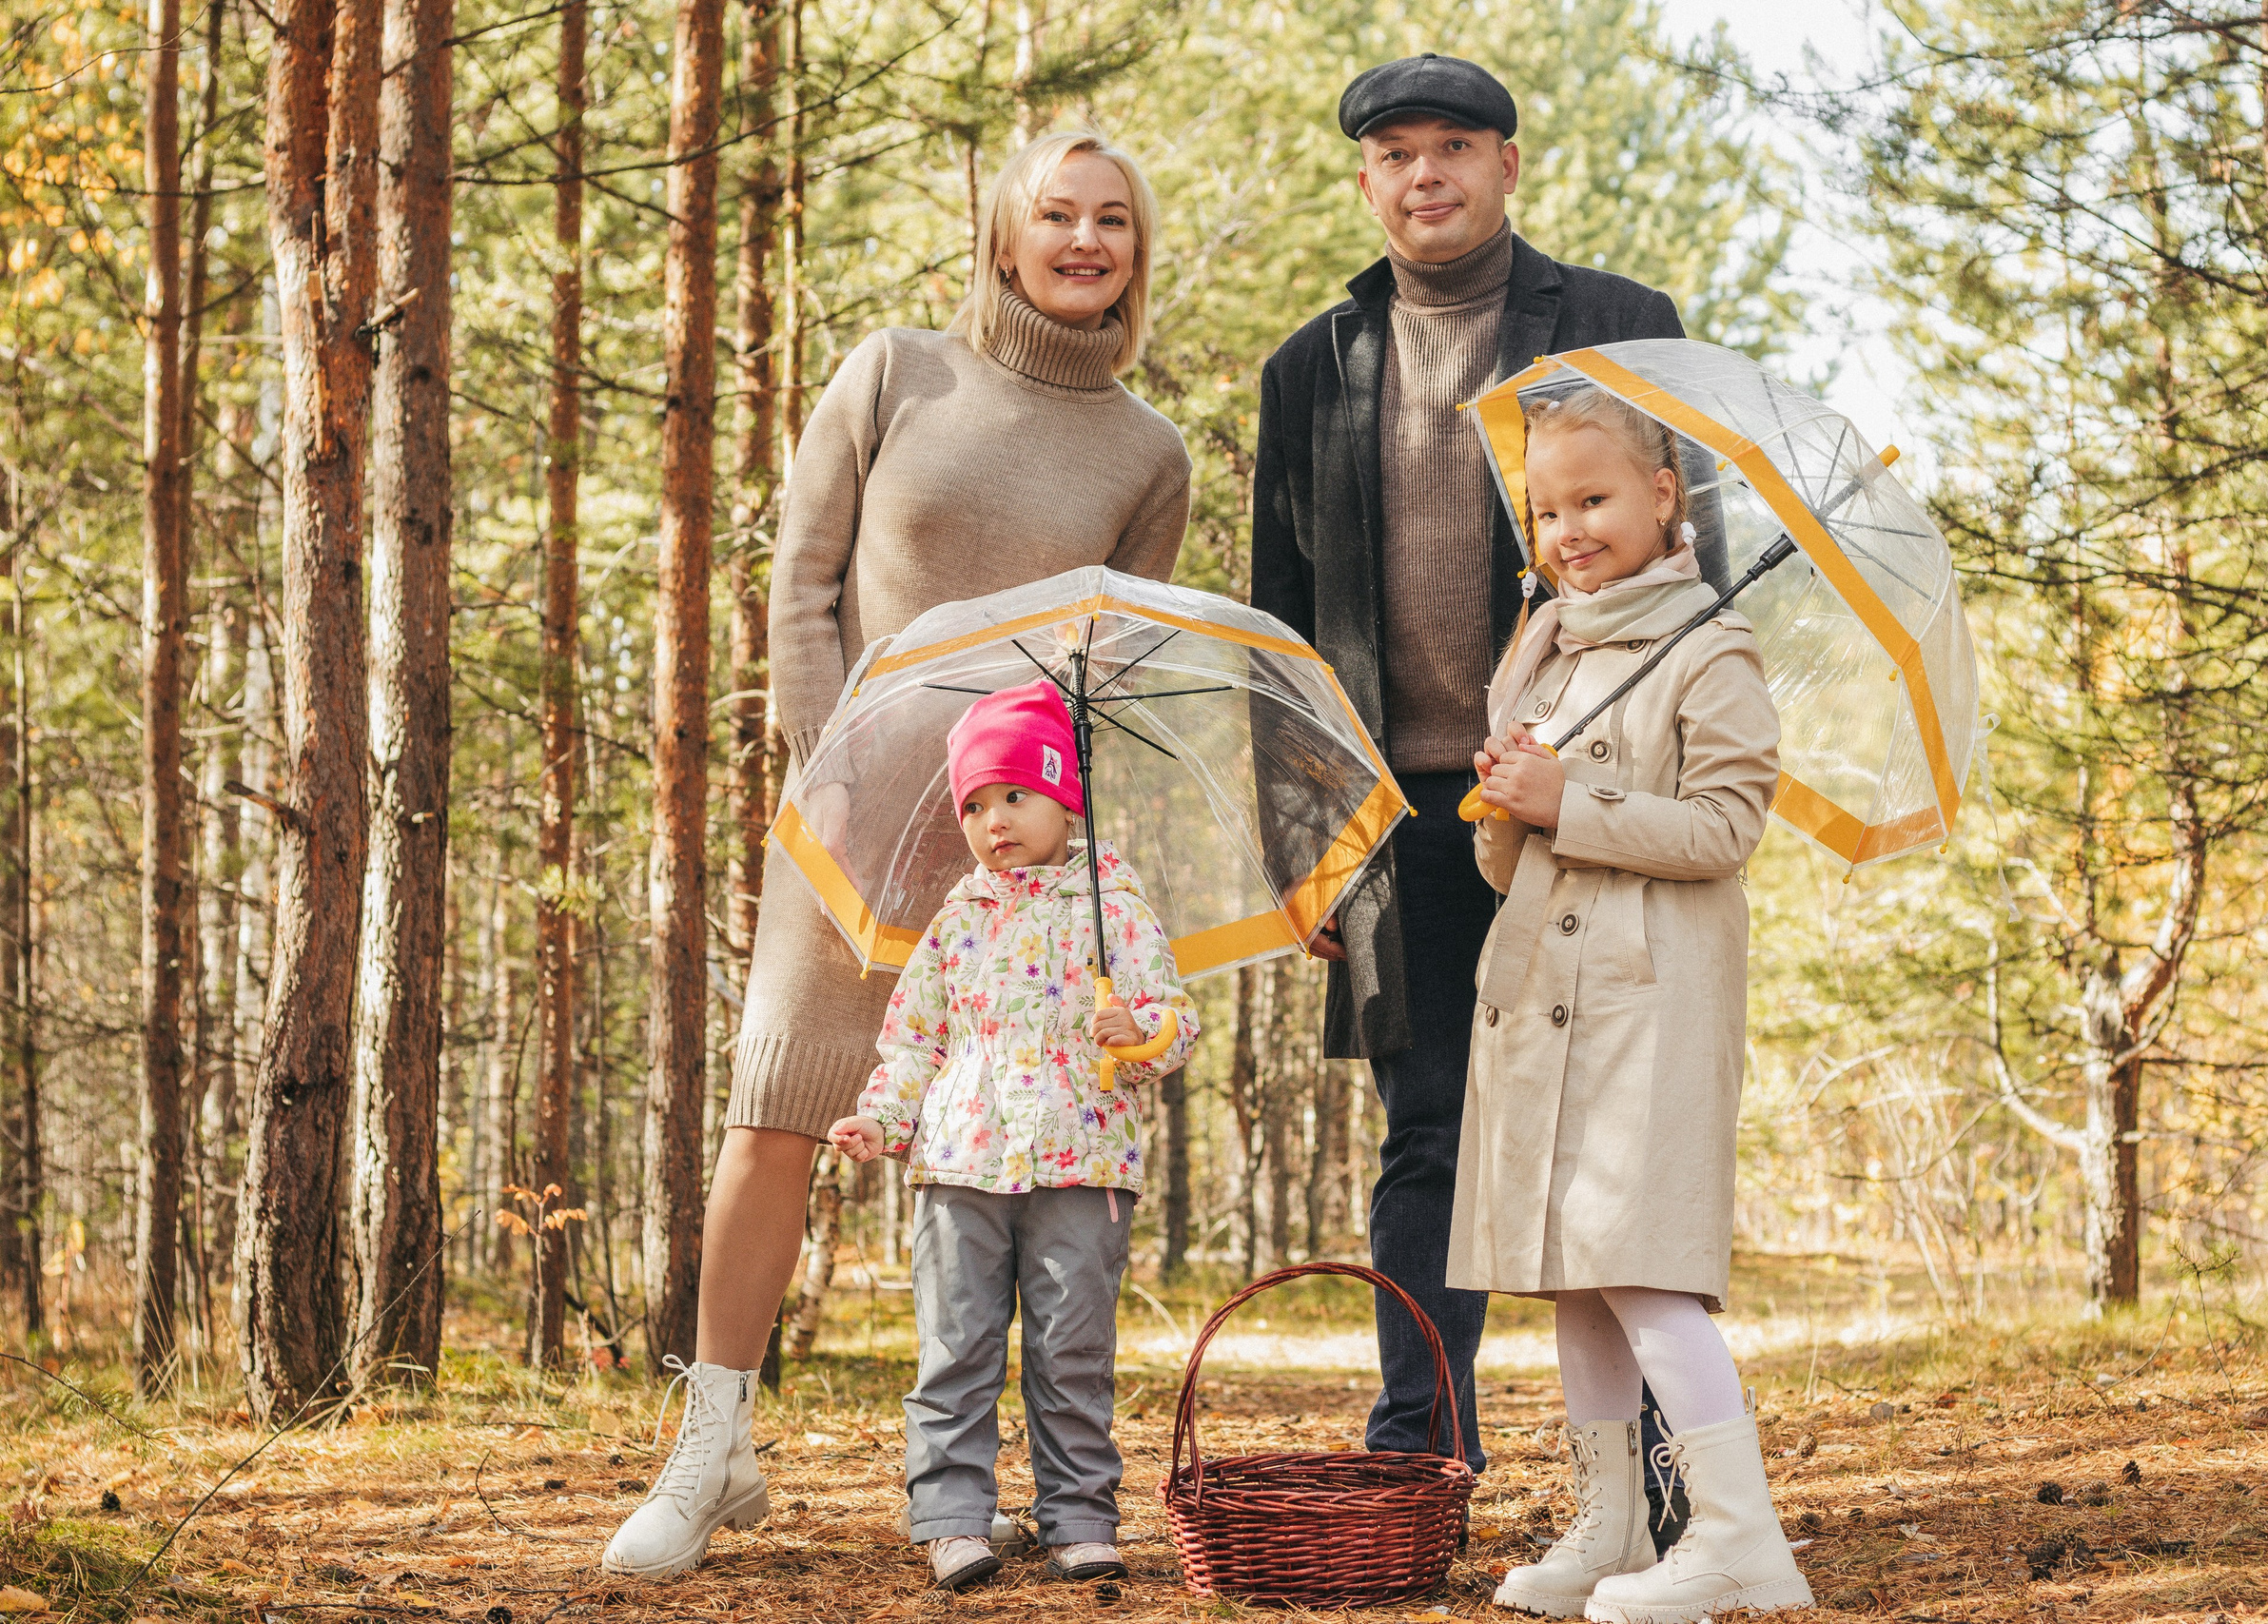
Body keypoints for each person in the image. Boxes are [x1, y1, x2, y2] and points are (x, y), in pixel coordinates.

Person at [602, 129, 1189, 1580]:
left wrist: (1063, 860)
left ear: (1134, 252)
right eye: (1055, 212)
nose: (1083, 238)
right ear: (1006, 234)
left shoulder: (1147, 452)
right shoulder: (893, 371)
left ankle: (1031, 1491)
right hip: (857, 827)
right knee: (777, 1117)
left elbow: (1113, 687)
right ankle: (713, 1441)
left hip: (1023, 861)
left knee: (1014, 1178)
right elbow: (803, 591)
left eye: (1111, 220)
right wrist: (836, 786)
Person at [1248, 52, 1690, 1481]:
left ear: (1507, 163)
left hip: (1579, 791)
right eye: (1395, 154)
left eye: (1454, 146)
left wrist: (1652, 777)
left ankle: (1660, 1465)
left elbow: (1699, 560)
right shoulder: (1311, 362)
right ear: (1365, 178)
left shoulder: (1621, 325)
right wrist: (1301, 841)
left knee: (1615, 1135)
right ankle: (1418, 1451)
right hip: (1393, 811)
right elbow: (1278, 626)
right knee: (1427, 1130)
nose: (1424, 174)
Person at [1463, 387, 1808, 1622]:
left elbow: (1727, 825)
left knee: (1648, 1267)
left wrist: (1569, 802)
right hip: (1548, 998)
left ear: (1664, 496)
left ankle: (1742, 1537)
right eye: (1546, 509)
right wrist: (1508, 811)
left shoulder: (1712, 648)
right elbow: (1516, 857)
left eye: (1593, 499)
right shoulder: (1544, 642)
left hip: (1650, 1000)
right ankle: (1610, 1517)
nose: (1567, 529)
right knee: (1576, 1273)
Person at [828, 680, 1198, 1592]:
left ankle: (1078, 1513)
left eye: (1015, 794)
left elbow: (1174, 1018)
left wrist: (1139, 1032)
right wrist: (884, 1117)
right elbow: (914, 1037)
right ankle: (953, 1514)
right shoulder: (958, 920)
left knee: (1072, 1348)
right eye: (976, 804)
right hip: (963, 1160)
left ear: (1065, 793)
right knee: (956, 1342)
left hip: (1085, 1160)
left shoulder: (1115, 906)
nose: (994, 819)